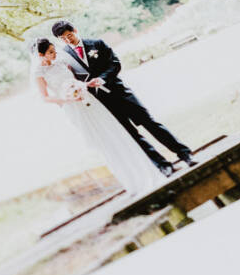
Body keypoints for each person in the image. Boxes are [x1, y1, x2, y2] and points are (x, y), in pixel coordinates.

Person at [51, 20, 195, 175]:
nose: (68, 40)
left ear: (75, 30)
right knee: (132, 135)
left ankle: (184, 154)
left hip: (121, 93)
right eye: (63, 39)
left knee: (151, 123)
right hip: (103, 103)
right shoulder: (64, 57)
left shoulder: (96, 43)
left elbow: (115, 63)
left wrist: (103, 78)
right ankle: (162, 165)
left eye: (69, 35)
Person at [31, 38, 164, 196]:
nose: (55, 54)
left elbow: (75, 79)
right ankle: (130, 181)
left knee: (116, 134)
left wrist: (82, 86)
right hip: (73, 107)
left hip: (90, 101)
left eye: (54, 50)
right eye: (51, 52)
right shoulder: (38, 72)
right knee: (102, 142)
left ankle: (145, 172)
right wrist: (67, 98)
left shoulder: (61, 62)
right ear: (41, 55)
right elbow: (45, 97)